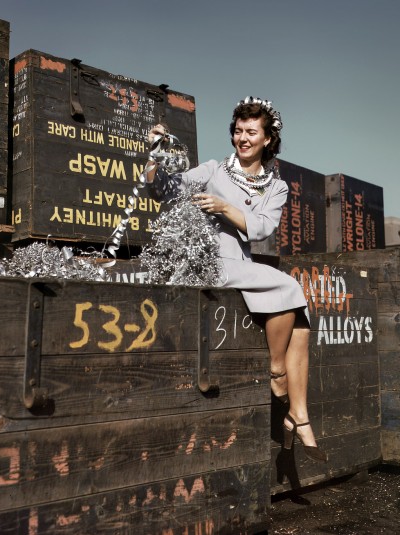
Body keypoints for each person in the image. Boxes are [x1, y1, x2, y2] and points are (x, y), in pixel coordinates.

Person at [145, 96, 327, 463]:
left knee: (301, 324)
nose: (243, 138)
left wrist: (224, 207)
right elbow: (164, 188)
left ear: (267, 139)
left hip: (238, 263)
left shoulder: (276, 187)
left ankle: (299, 416)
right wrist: (154, 154)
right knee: (291, 287)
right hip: (205, 261)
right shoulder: (213, 170)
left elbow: (261, 228)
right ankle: (276, 371)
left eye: (251, 132)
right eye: (238, 131)